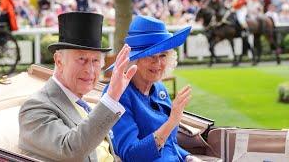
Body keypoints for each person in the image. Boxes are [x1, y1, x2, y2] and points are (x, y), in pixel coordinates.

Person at [18, 12, 137, 162]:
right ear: (59, 61)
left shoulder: (83, 104)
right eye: (82, 59)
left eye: (95, 61)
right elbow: (70, 151)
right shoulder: (35, 108)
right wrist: (111, 97)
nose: (90, 70)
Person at [104, 15, 202, 162]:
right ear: (134, 60)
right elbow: (131, 154)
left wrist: (188, 157)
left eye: (163, 55)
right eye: (150, 56)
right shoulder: (118, 94)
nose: (157, 63)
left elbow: (169, 144)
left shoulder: (159, 89)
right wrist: (172, 121)